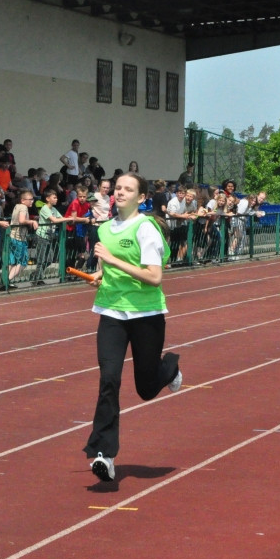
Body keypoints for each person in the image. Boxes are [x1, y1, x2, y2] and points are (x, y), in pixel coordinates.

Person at [80, 173, 183, 482]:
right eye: (118, 188)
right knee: (108, 380)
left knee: (145, 388)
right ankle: (104, 454)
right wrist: (99, 274)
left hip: (146, 313)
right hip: (111, 312)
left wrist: (111, 259)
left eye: (128, 189)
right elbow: (104, 266)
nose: (120, 192)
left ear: (141, 197)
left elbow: (154, 277)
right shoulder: (104, 229)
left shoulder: (146, 228)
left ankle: (169, 370)